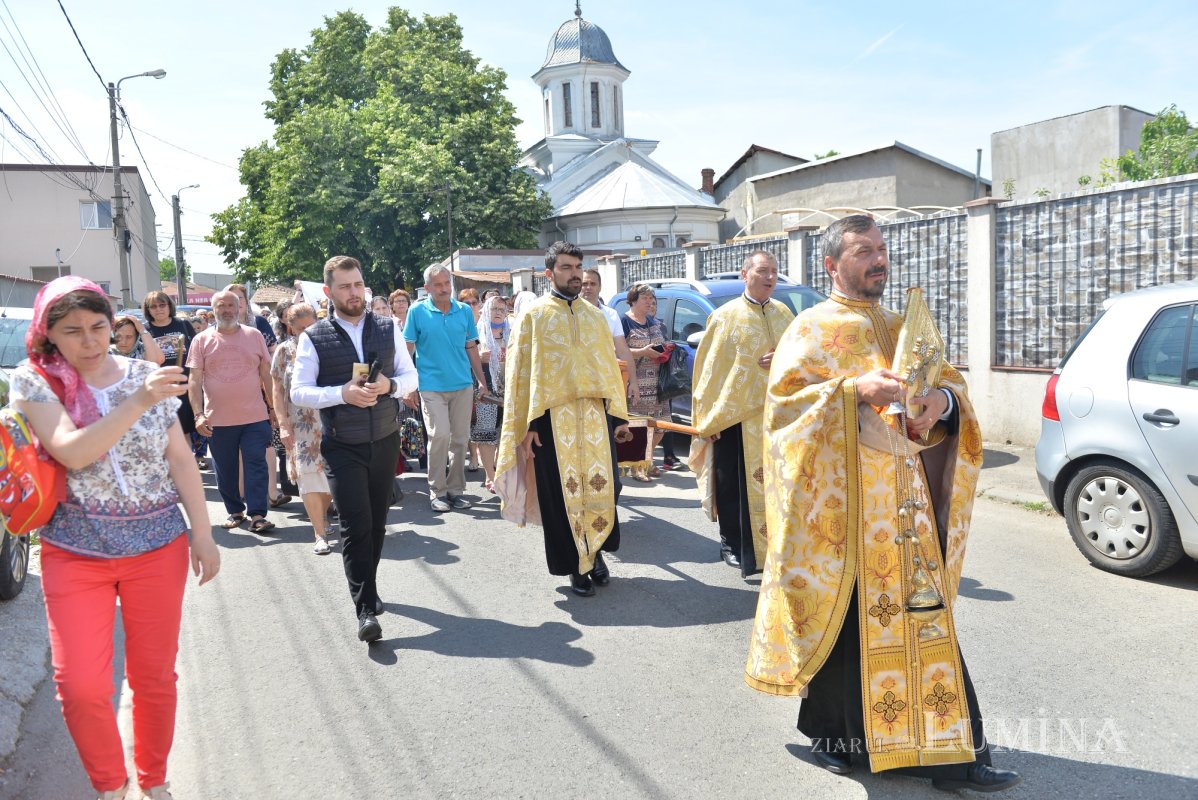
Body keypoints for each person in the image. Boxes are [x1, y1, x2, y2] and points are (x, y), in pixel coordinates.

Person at [744, 215, 1020, 792]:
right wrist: (853, 392)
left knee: (925, 622)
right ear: (831, 265)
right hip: (841, 514)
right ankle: (833, 738)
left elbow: (952, 391)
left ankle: (950, 757)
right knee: (846, 627)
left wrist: (940, 403)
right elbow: (785, 414)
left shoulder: (903, 326)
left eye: (882, 250)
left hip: (905, 508)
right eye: (864, 250)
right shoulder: (809, 330)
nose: (879, 260)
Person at [13, 276, 219, 800]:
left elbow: (179, 458)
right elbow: (72, 452)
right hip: (74, 549)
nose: (89, 341)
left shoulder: (146, 374)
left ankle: (155, 781)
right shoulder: (36, 380)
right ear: (47, 334)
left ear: (114, 324)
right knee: (80, 686)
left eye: (99, 327)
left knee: (153, 678)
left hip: (158, 546)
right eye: (72, 331)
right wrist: (136, 401)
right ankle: (111, 786)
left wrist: (203, 532)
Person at [291, 255, 419, 643]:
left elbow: (410, 375)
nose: (354, 292)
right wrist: (341, 393)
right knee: (355, 525)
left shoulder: (386, 326)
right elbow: (299, 391)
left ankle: (371, 585)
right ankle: (364, 610)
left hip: (384, 439)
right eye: (345, 286)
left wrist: (390, 387)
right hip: (341, 444)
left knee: (377, 523)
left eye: (358, 284)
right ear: (329, 292)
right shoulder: (313, 337)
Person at [494, 241, 632, 597]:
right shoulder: (534, 316)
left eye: (578, 268)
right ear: (549, 273)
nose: (575, 274)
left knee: (602, 489)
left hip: (593, 417)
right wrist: (529, 427)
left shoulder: (594, 316)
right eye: (567, 267)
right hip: (552, 423)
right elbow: (522, 375)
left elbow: (607, 369)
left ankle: (595, 553)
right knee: (563, 495)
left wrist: (616, 418)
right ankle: (576, 566)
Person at [689, 250, 794, 574]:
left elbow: (802, 360)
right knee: (732, 484)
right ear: (744, 273)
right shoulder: (724, 317)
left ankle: (775, 542)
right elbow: (709, 371)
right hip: (733, 415)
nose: (770, 277)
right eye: (763, 270)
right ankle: (731, 543)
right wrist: (706, 419)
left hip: (776, 414)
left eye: (774, 271)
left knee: (777, 482)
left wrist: (782, 360)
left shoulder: (784, 314)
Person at [188, 290, 277, 534]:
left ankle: (258, 514)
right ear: (213, 309)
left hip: (255, 416)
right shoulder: (201, 340)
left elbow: (266, 375)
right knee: (225, 467)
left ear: (240, 308)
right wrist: (198, 415)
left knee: (256, 464)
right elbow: (194, 381)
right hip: (217, 419)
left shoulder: (254, 335)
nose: (226, 310)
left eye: (231, 305)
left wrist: (274, 407)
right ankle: (235, 511)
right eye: (221, 306)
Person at [404, 265, 488, 512]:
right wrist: (408, 386)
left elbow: (471, 347)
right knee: (439, 435)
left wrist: (481, 382)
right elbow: (408, 350)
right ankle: (437, 491)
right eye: (438, 285)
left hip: (462, 384)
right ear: (427, 288)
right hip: (430, 386)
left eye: (447, 284)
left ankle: (455, 491)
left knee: (460, 439)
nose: (443, 289)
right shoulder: (417, 311)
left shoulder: (463, 311)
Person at [272, 303, 334, 555]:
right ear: (291, 328)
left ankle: (322, 516)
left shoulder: (330, 347)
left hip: (331, 422)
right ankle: (319, 532)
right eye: (301, 328)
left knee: (331, 479)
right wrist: (283, 424)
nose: (307, 332)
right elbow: (277, 389)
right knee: (308, 478)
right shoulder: (284, 351)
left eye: (312, 326)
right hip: (300, 425)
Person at [620, 284, 680, 479]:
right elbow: (617, 352)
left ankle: (646, 459)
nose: (650, 301)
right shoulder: (624, 322)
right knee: (640, 427)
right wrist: (642, 352)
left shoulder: (653, 321)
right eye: (645, 297)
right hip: (635, 381)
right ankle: (639, 466)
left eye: (651, 298)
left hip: (658, 383)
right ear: (634, 299)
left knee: (661, 425)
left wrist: (667, 349)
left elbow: (661, 343)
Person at [470, 295, 509, 492]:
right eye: (494, 309)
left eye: (502, 309)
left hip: (509, 391)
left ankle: (497, 471)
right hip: (485, 390)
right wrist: (479, 358)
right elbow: (466, 358)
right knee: (486, 434)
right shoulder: (477, 333)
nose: (498, 313)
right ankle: (491, 477)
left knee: (504, 433)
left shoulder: (513, 333)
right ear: (486, 310)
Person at [579, 269, 635, 393]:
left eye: (593, 284)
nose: (588, 287)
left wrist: (633, 382)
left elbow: (623, 350)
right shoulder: (569, 313)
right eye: (584, 284)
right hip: (578, 383)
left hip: (604, 382)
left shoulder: (611, 314)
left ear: (600, 287)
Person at [458, 287, 483, 473]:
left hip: (485, 374)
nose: (471, 306)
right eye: (467, 303)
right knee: (468, 418)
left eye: (474, 302)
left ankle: (485, 453)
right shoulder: (460, 322)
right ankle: (473, 455)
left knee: (484, 417)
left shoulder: (486, 322)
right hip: (465, 374)